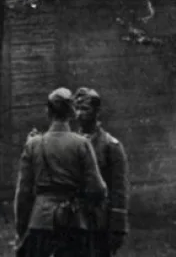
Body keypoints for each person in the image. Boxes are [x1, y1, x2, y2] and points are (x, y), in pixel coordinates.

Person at [14, 87, 108, 257]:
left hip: (40, 223)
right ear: (71, 112)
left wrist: (22, 229)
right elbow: (97, 189)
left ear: (48, 112)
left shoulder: (33, 144)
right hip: (74, 223)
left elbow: (23, 194)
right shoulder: (82, 144)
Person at [74, 87, 129, 256]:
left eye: (85, 109)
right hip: (72, 220)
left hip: (99, 222)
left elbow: (119, 189)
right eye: (76, 109)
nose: (79, 114)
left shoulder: (110, 146)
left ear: (97, 112)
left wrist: (117, 227)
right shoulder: (70, 143)